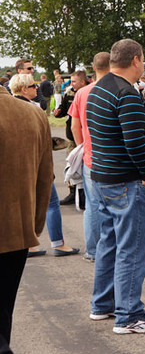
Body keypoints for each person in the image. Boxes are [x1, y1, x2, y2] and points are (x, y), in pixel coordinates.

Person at [86, 38, 145, 334]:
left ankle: (102, 304)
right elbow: (134, 141)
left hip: (104, 178)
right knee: (133, 248)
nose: (143, 63)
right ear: (135, 60)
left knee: (110, 243)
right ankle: (129, 315)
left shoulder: (99, 89)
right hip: (127, 181)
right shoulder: (125, 94)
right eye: (142, 59)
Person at [0, 84, 53, 354]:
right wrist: (34, 225)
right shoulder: (33, 114)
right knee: (4, 308)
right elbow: (46, 179)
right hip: (17, 232)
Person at [9, 74, 80, 258]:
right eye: (33, 86)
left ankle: (29, 245)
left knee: (24, 205)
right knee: (52, 203)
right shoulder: (34, 110)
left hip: (16, 167)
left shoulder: (8, 109)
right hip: (35, 165)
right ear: (24, 89)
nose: (37, 89)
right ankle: (58, 243)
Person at [69, 52, 111, 262]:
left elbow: (74, 125)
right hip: (112, 157)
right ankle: (113, 247)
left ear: (93, 69)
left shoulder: (82, 93)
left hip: (90, 157)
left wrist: (82, 146)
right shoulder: (115, 89)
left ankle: (93, 250)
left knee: (92, 206)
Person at [54, 70, 88, 205]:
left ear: (83, 82)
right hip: (72, 137)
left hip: (85, 136)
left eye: (74, 81)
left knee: (86, 168)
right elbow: (63, 110)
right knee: (72, 166)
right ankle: (73, 193)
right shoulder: (69, 92)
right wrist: (58, 113)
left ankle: (86, 194)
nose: (71, 84)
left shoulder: (90, 92)